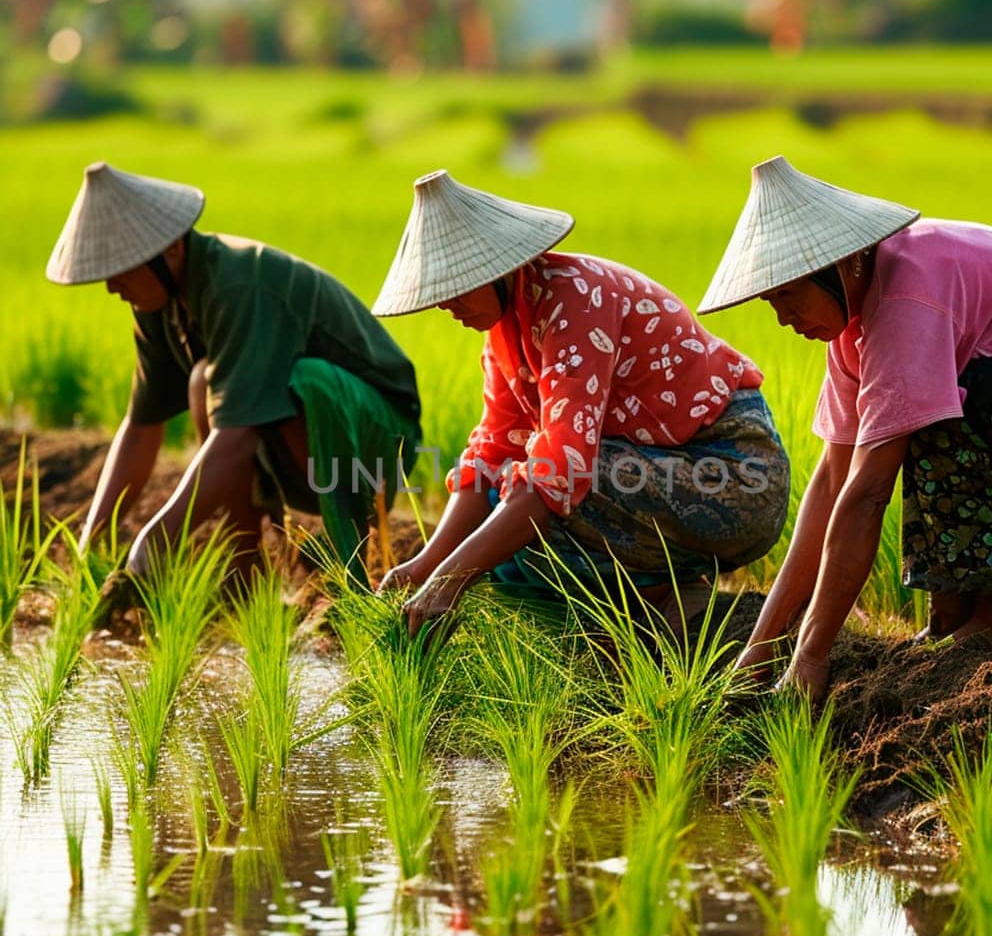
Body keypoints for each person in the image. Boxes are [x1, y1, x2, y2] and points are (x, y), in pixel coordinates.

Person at [697, 155, 992, 700]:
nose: (781, 317)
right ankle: (958, 617)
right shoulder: (855, 323)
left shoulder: (908, 296)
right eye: (770, 301)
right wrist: (764, 646)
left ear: (838, 265)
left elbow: (868, 493)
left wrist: (812, 655)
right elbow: (832, 483)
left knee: (959, 398)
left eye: (787, 295)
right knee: (924, 403)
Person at [371, 169, 789, 633]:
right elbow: (490, 454)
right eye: (437, 296)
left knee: (533, 493)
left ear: (497, 269)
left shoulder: (576, 298)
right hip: (654, 470)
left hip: (734, 475)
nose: (446, 307)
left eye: (453, 289)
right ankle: (637, 607)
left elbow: (561, 470)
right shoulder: (505, 336)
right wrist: (426, 566)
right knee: (504, 520)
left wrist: (450, 581)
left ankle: (664, 595)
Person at [47, 162, 421, 582]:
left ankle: (344, 569)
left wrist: (154, 542)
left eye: (121, 269)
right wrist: (91, 544)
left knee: (306, 381)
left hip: (377, 448)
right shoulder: (158, 301)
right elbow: (142, 426)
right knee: (204, 379)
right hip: (304, 445)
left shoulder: (239, 285)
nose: (112, 287)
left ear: (169, 250)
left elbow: (238, 435)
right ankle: (245, 572)